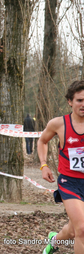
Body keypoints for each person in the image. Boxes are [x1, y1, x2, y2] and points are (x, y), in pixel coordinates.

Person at [38, 80, 84, 254]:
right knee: (82, 230)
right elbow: (42, 141)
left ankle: (54, 241)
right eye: (79, 100)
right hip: (69, 182)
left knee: (73, 231)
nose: (83, 104)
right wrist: (44, 165)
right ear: (70, 102)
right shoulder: (59, 124)